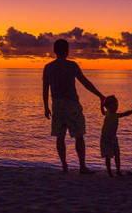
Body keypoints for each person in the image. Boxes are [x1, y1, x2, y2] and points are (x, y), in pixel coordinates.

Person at [43, 39, 105, 174]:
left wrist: (46, 107)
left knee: (60, 136)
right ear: (67, 51)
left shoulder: (48, 67)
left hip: (57, 105)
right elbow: (85, 83)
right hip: (72, 104)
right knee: (79, 135)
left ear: (54, 51)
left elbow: (45, 89)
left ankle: (65, 166)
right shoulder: (72, 65)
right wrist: (100, 95)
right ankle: (82, 166)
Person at [100, 95, 132, 177]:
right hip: (106, 138)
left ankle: (118, 171)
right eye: (114, 106)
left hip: (113, 138)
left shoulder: (111, 114)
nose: (116, 107)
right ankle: (110, 172)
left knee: (117, 155)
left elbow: (103, 111)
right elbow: (125, 114)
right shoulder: (110, 114)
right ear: (108, 107)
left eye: (116, 105)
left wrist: (101, 104)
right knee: (108, 156)